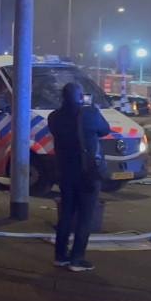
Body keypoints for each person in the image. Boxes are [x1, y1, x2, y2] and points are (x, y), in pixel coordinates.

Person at [47, 83, 111, 272]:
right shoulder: (90, 113)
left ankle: (60, 256)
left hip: (65, 172)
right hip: (87, 172)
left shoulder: (54, 117)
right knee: (85, 216)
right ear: (81, 96)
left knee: (66, 214)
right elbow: (105, 130)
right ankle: (77, 258)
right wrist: (94, 110)